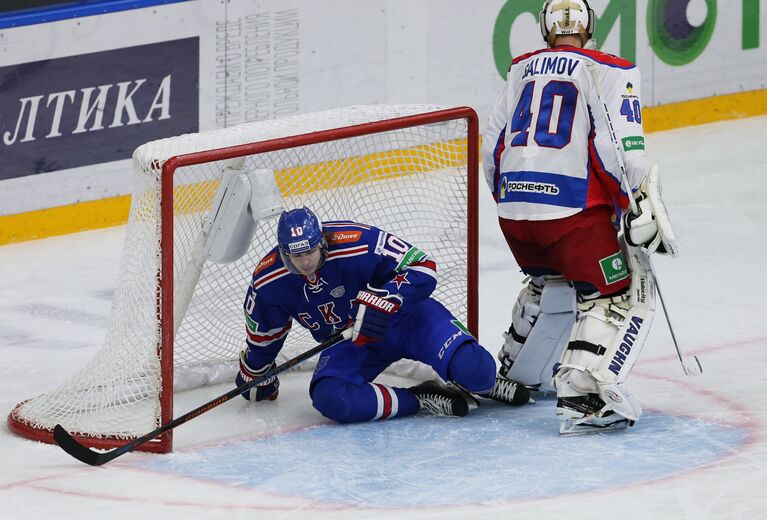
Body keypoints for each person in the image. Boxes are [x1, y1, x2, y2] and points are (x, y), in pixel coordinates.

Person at [480, 0, 677, 434]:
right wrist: (630, 206)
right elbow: (616, 150)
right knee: (613, 292)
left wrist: (511, 200)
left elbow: (491, 147)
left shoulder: (520, 68)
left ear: (545, 29)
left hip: (514, 211)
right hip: (570, 213)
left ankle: (513, 374)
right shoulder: (609, 68)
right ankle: (583, 397)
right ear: (590, 28)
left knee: (549, 282)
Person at [236, 207, 529, 423]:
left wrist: (385, 298)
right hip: (350, 342)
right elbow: (265, 335)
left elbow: (423, 267)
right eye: (296, 257)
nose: (305, 262)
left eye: (310, 252)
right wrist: (255, 374)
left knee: (476, 369)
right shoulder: (269, 280)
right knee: (331, 398)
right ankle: (420, 398)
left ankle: (483, 384)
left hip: (406, 320)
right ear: (284, 254)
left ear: (322, 242)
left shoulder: (356, 241)